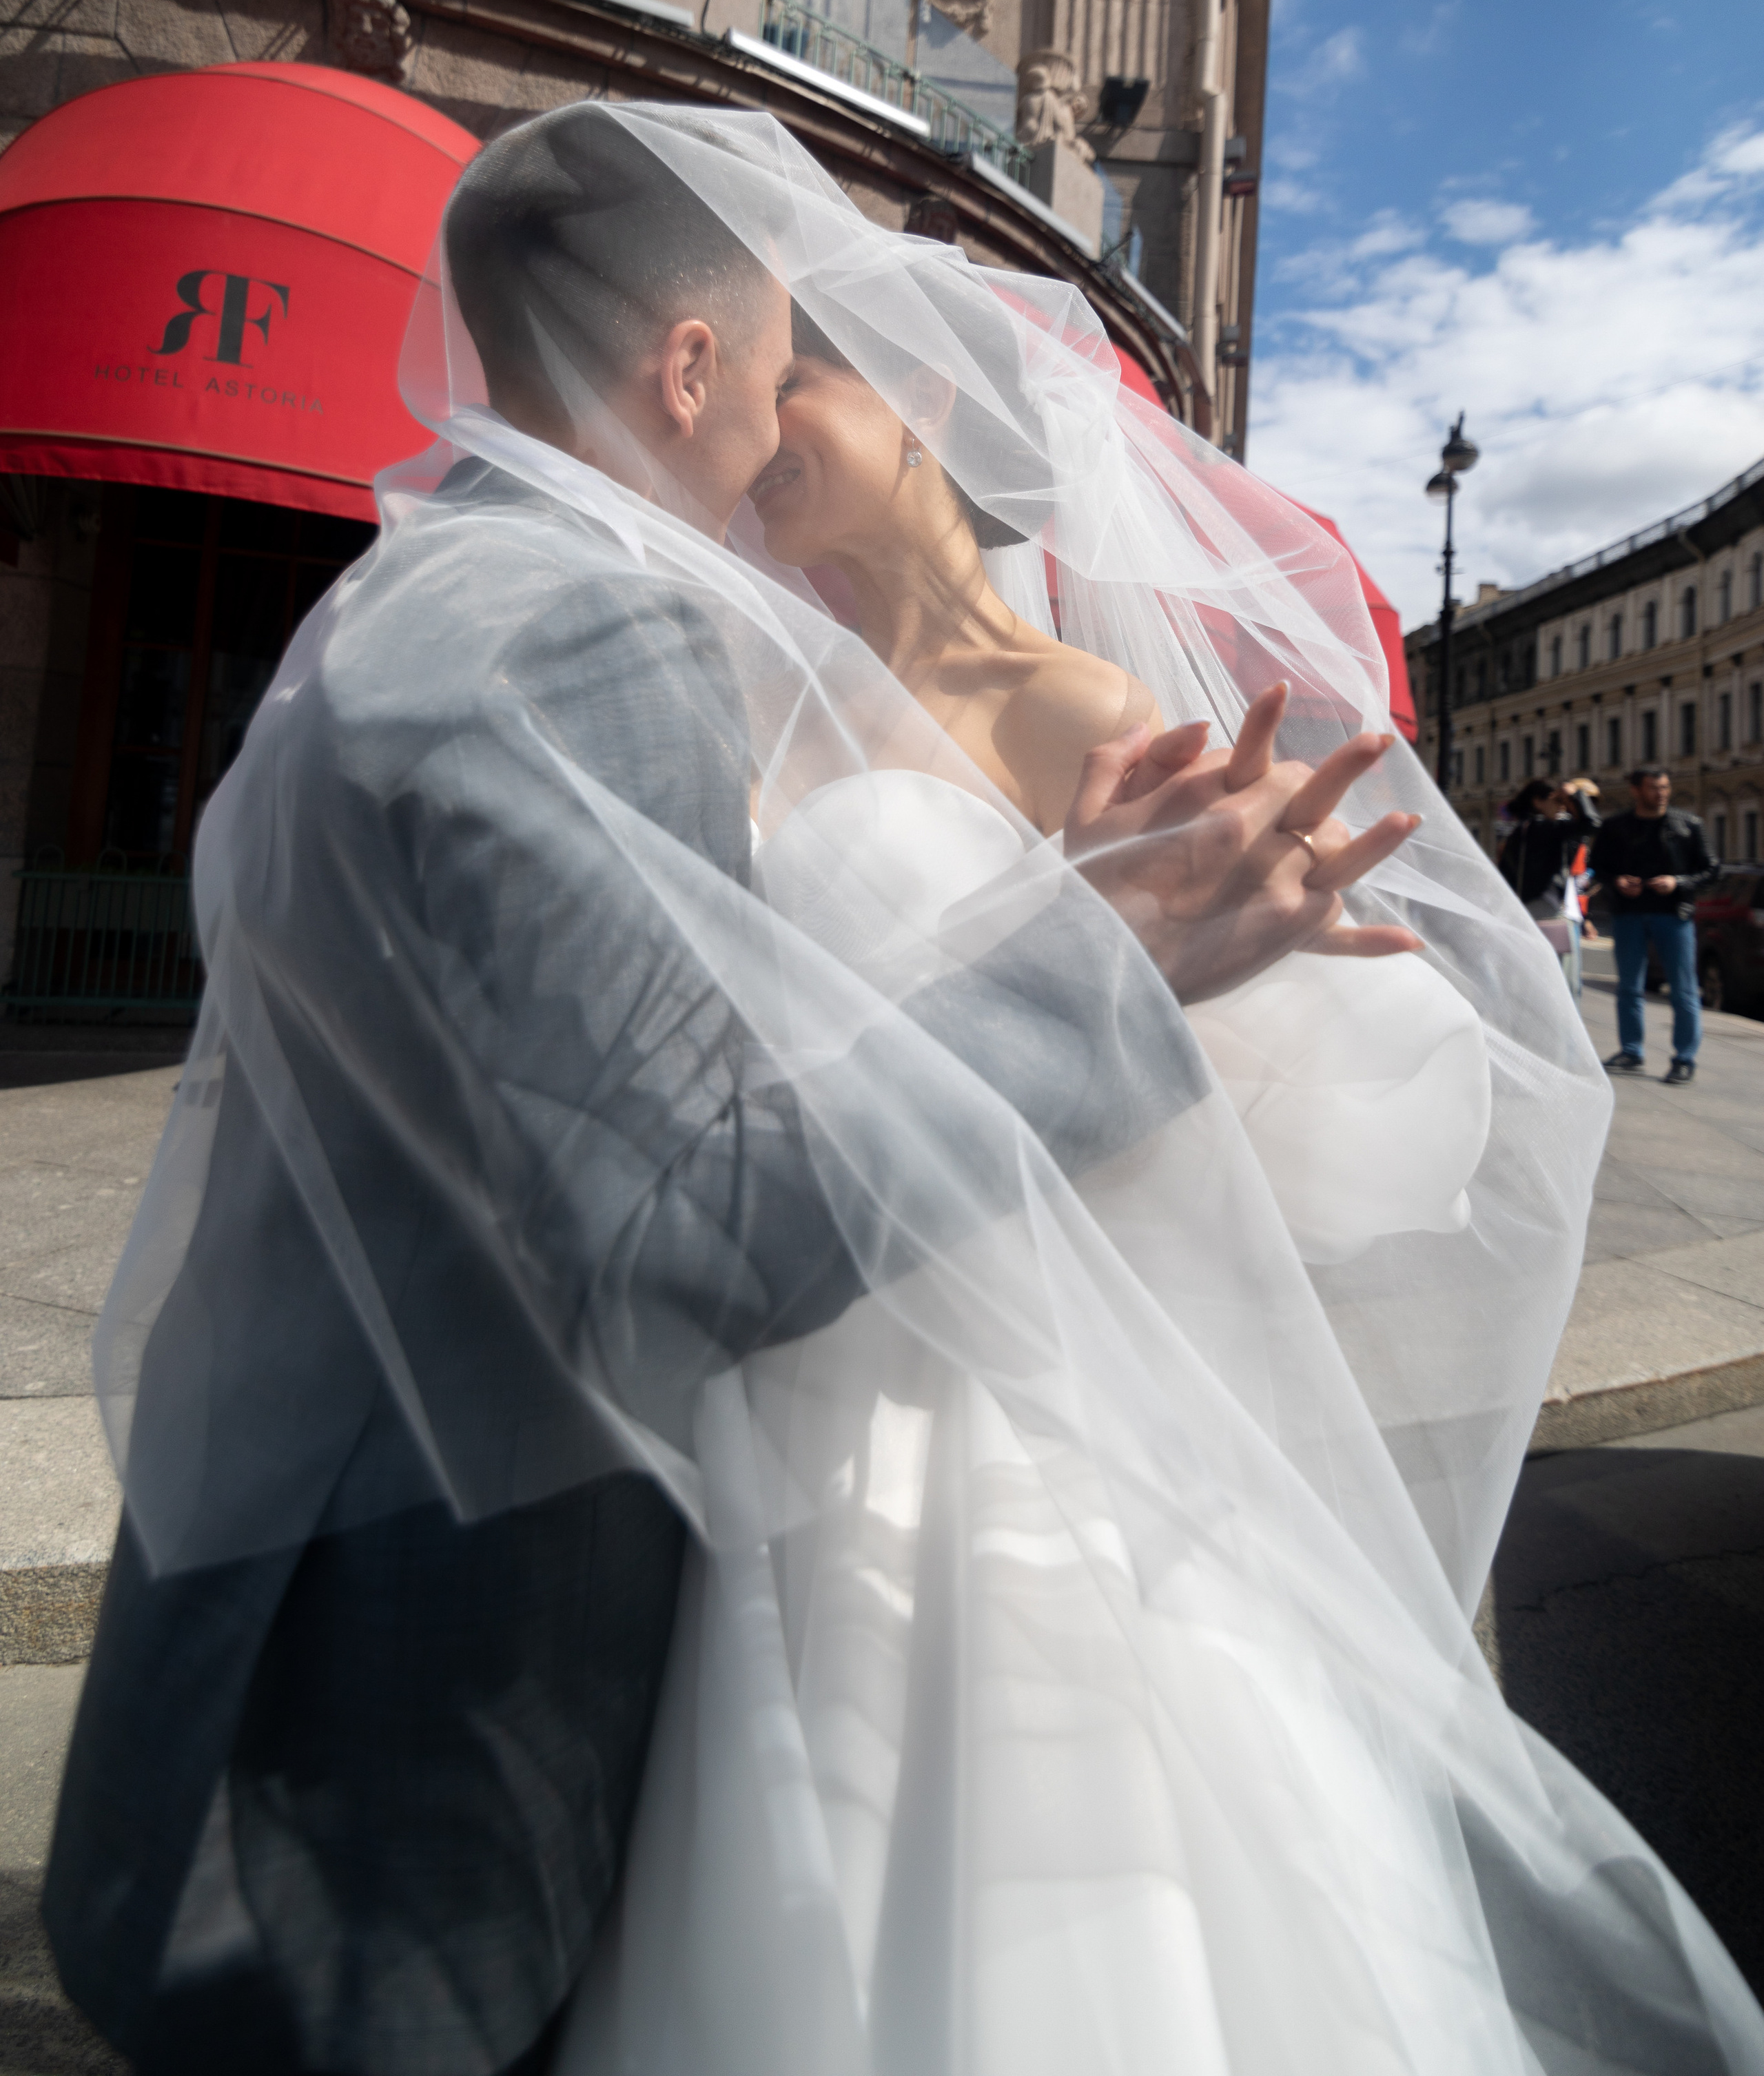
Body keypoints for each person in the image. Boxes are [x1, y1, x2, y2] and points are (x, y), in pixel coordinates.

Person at [43, 105, 1424, 2076]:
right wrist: (1113, 963)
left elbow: (609, 1063)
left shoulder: (418, 593)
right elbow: (671, 1210)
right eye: (783, 367)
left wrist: (1056, 889)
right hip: (376, 1768)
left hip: (314, 1643)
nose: (787, 424)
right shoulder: (579, 626)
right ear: (688, 370)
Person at [1590, 764, 1717, 1082]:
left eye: (1664, 788)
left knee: (1683, 989)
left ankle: (1684, 1059)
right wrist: (1617, 881)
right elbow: (1596, 867)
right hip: (1628, 914)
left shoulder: (1689, 825)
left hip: (1673, 915)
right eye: (1653, 788)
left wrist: (1678, 882)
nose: (1661, 794)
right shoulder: (1616, 827)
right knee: (1630, 987)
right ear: (1636, 791)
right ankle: (1632, 1051)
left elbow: (1712, 870)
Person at [1498, 776, 1599, 996]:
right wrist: (1575, 795)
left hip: (1525, 908)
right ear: (1538, 802)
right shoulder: (1548, 828)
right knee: (1563, 983)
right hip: (1550, 908)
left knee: (1530, 979)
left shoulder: (1520, 830)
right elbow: (1591, 824)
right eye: (1558, 800)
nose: (1563, 807)